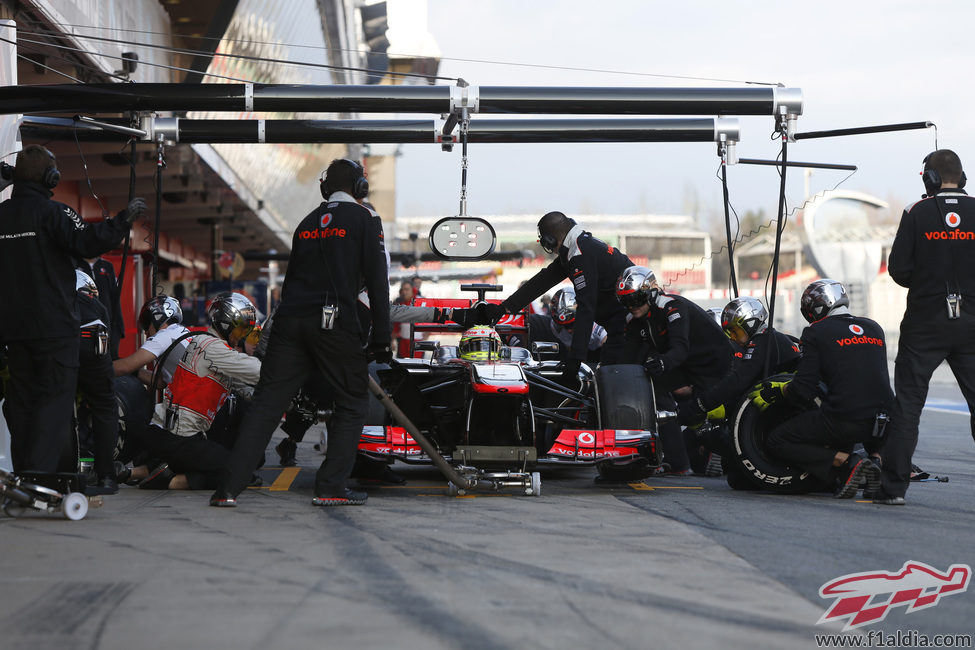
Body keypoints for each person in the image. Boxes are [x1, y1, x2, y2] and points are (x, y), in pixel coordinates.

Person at [211, 157, 391, 507]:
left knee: (266, 405)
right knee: (352, 402)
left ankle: (227, 489)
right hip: (334, 322)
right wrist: (381, 338)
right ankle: (330, 488)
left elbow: (291, 282)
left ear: (325, 188)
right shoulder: (366, 218)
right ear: (360, 188)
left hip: (290, 322)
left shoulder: (307, 223)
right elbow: (377, 283)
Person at [0, 144, 145, 474]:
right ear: (51, 177)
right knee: (54, 404)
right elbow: (88, 242)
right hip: (54, 330)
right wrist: (122, 220)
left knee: (21, 404)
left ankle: (23, 476)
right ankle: (43, 479)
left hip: (13, 333)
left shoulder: (2, 215)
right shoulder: (54, 213)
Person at [877, 149, 975, 505]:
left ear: (929, 179)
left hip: (925, 323)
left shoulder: (916, 212)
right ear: (962, 178)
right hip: (971, 325)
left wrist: (928, 280)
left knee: (908, 406)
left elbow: (899, 269)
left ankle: (893, 491)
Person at [761, 279, 892, 499]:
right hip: (886, 421)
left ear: (816, 308)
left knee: (777, 440)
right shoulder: (874, 327)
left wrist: (779, 392)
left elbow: (803, 389)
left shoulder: (816, 332)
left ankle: (848, 462)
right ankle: (875, 462)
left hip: (846, 420)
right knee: (867, 413)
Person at [127, 292, 261, 491]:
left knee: (228, 460)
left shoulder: (208, 343)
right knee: (240, 472)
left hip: (169, 434)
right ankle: (170, 480)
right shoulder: (213, 349)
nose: (245, 336)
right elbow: (260, 372)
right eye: (243, 330)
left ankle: (153, 469)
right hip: (180, 438)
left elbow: (245, 389)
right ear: (226, 325)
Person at [481, 212, 633, 383]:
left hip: (630, 326)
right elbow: (543, 280)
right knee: (603, 378)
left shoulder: (579, 254)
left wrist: (575, 360)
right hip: (621, 324)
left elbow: (586, 308)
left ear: (550, 241)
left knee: (610, 380)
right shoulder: (575, 247)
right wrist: (504, 308)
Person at [74, 270, 121, 494]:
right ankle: (107, 477)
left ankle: (62, 471)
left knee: (58, 405)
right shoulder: (96, 305)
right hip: (94, 342)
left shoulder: (55, 297)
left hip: (62, 342)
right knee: (105, 408)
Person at [509, 287, 606, 364]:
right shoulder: (555, 327)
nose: (568, 330)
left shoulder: (594, 324)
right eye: (564, 326)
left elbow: (608, 341)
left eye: (571, 325)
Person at [113, 296, 190, 389]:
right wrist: (134, 371)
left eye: (146, 323)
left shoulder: (163, 336)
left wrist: (95, 368)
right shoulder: (182, 331)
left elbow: (125, 366)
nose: (145, 332)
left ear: (158, 318)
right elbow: (161, 382)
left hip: (190, 398)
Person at [77, 255, 124, 359]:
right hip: (83, 323)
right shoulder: (75, 263)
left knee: (109, 359)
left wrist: (119, 328)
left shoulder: (107, 266)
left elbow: (115, 298)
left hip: (107, 323)